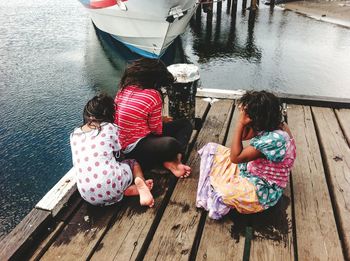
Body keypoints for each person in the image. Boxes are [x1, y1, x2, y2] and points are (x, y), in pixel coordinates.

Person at [196, 91, 296, 219]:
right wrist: (246, 121)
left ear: (258, 118)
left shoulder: (274, 140)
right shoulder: (274, 123)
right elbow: (244, 136)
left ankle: (220, 186)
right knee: (211, 148)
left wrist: (240, 123)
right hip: (252, 168)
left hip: (264, 186)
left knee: (223, 193)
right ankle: (220, 181)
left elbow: (235, 158)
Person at [70, 94, 154, 208]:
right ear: (110, 114)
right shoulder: (109, 127)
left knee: (108, 176)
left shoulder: (74, 134)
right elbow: (118, 154)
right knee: (132, 163)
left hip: (88, 195)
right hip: (111, 184)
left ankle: (124, 191)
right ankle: (141, 184)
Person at [114, 58, 193, 178]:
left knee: (175, 132)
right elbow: (157, 131)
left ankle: (169, 161)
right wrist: (161, 123)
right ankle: (175, 160)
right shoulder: (153, 95)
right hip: (137, 150)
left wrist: (161, 120)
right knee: (178, 135)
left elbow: (132, 119)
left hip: (122, 148)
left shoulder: (124, 89)